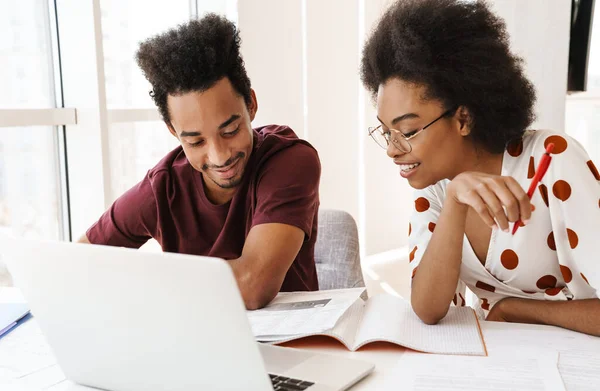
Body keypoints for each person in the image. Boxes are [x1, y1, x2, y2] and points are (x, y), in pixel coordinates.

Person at [360, 0, 600, 335]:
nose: (391, 150)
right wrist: (455, 202)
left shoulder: (552, 160)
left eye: (408, 132)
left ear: (463, 118)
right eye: (387, 132)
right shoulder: (435, 187)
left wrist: (514, 309)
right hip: (499, 367)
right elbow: (427, 310)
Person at [79, 14, 321, 310]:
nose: (220, 156)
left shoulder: (290, 161)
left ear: (251, 105)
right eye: (196, 141)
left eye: (230, 131)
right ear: (173, 132)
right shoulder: (162, 187)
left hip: (290, 347)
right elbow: (79, 262)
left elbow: (253, 286)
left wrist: (142, 276)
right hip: (195, 345)